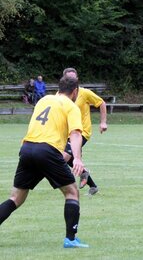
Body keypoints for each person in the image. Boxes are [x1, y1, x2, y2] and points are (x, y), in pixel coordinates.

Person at [0, 75, 89, 248]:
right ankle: (70, 239)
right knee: (72, 192)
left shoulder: (44, 100)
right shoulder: (71, 106)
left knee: (16, 197)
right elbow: (76, 134)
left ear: (58, 89)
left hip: (27, 148)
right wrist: (77, 158)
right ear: (75, 91)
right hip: (47, 150)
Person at [62, 67, 108, 195]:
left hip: (82, 133)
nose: (72, 80)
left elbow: (101, 103)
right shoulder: (60, 95)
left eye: (74, 78)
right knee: (71, 160)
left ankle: (68, 188)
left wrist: (103, 122)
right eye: (69, 78)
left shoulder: (85, 93)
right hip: (66, 133)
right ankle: (91, 184)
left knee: (63, 158)